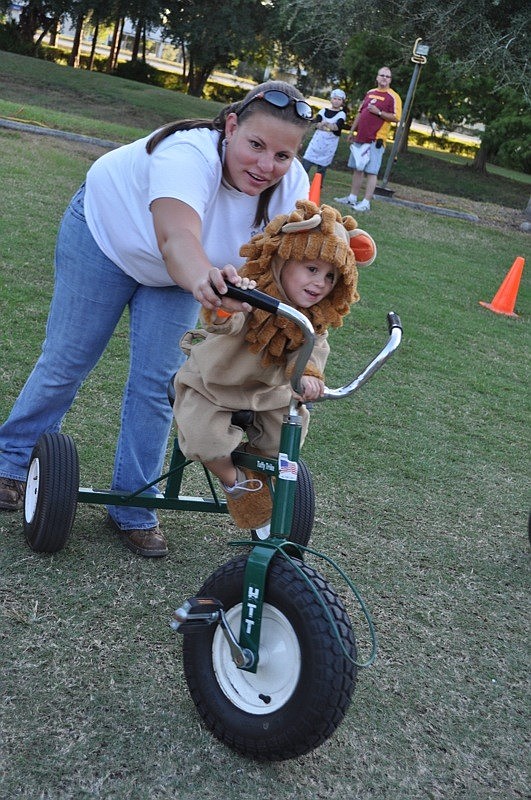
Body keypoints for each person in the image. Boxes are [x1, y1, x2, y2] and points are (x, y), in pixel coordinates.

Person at [0, 80, 314, 558]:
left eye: (282, 155)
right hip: (106, 239)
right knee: (67, 360)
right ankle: (10, 462)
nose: (265, 166)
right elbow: (176, 240)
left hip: (180, 276)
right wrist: (205, 280)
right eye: (255, 145)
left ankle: (133, 505)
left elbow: (284, 267)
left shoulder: (289, 187)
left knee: (158, 382)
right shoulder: (188, 155)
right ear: (231, 126)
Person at [172, 199, 360, 530]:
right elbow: (222, 323)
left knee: (288, 437)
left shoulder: (311, 319)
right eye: (312, 269)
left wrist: (310, 375)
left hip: (268, 393)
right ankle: (237, 481)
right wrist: (228, 304)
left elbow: (312, 349)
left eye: (331, 276)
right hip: (214, 385)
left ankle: (260, 470)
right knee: (205, 438)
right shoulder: (252, 293)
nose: (320, 283)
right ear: (282, 260)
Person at [335, 67, 402, 212]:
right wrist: (352, 131)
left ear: (390, 80)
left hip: (376, 140)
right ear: (377, 77)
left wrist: (378, 112)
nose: (384, 78)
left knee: (371, 171)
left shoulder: (393, 96)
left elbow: (397, 117)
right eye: (382, 75)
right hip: (360, 137)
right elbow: (360, 112)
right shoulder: (370, 93)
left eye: (387, 76)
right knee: (357, 169)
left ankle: (366, 202)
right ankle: (352, 198)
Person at [300, 89, 347, 184]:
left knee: (322, 169)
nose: (336, 101)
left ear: (342, 102)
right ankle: (301, 183)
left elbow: (337, 127)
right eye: (335, 98)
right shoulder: (323, 111)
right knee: (306, 164)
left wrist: (325, 124)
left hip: (329, 146)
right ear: (331, 99)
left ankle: (317, 187)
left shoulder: (341, 114)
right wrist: (327, 126)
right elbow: (317, 123)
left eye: (339, 99)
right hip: (316, 143)